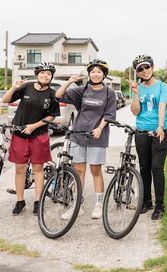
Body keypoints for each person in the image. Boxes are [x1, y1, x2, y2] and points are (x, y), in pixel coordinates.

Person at [55, 59, 116, 219]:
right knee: (78, 171)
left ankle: (98, 204)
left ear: (104, 74)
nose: (96, 74)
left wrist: (100, 128)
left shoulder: (110, 93)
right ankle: (76, 205)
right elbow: (58, 96)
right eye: (93, 72)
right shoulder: (82, 90)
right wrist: (69, 81)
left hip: (97, 136)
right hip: (78, 135)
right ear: (89, 74)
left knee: (95, 170)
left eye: (99, 72)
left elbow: (109, 115)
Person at [1, 62, 60, 216]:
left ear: (51, 76)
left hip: (39, 135)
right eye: (42, 73)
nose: (45, 75)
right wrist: (14, 87)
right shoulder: (26, 87)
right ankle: (20, 201)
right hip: (20, 133)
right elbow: (5, 100)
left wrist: (34, 126)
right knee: (20, 169)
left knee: (38, 169)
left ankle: (38, 201)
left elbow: (52, 115)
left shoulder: (52, 94)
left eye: (49, 73)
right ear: (36, 74)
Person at [129, 54, 167, 220]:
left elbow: (161, 107)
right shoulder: (138, 87)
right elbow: (135, 111)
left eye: (147, 67)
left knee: (156, 168)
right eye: (140, 69)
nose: (144, 71)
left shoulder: (162, 86)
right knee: (144, 167)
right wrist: (136, 94)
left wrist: (160, 126)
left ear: (152, 67)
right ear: (137, 73)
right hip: (141, 131)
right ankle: (146, 201)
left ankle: (160, 205)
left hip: (160, 131)